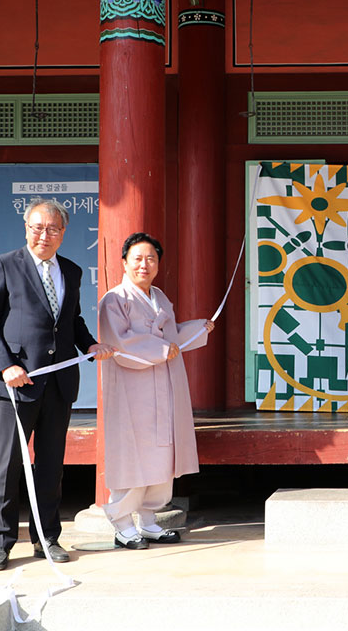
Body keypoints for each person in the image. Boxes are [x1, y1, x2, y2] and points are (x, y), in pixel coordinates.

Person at [0, 199, 113, 572]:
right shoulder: (3, 265)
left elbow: (72, 319)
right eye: (37, 227)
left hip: (59, 383)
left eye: (52, 229)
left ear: (63, 233)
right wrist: (6, 367)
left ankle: (47, 537)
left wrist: (90, 344)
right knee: (7, 465)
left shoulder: (70, 269)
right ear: (26, 228)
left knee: (51, 465)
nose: (44, 235)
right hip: (17, 384)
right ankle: (0, 543)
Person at [97, 232, 214, 549]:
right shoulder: (115, 300)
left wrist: (197, 329)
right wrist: (161, 349)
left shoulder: (160, 297)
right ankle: (122, 523)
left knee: (163, 454)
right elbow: (120, 343)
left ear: (158, 263)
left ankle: (148, 521)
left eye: (151, 258)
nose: (144, 264)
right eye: (137, 258)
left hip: (163, 383)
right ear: (124, 262)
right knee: (133, 456)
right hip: (132, 388)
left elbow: (172, 337)